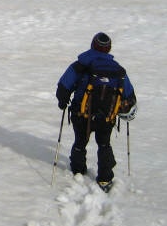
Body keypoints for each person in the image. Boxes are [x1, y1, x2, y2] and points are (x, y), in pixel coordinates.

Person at [56, 32, 136, 189]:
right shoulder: (118, 71)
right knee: (104, 144)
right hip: (107, 117)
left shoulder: (80, 65)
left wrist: (63, 102)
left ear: (92, 45)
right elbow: (129, 95)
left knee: (80, 141)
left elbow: (63, 86)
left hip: (81, 114)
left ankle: (78, 171)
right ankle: (105, 179)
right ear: (109, 49)